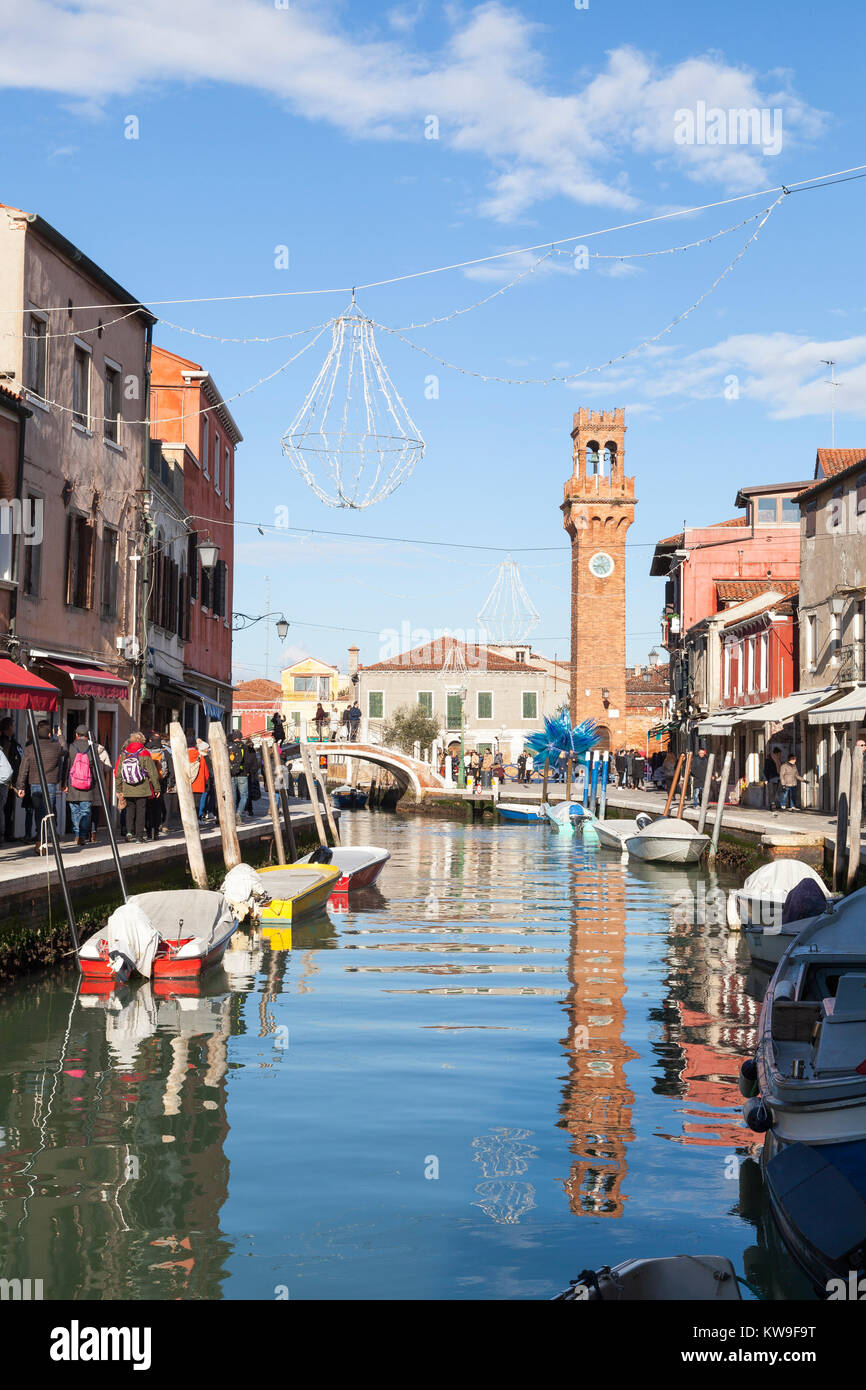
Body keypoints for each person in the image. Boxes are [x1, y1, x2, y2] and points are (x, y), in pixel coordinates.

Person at [13, 720, 67, 854]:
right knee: (47, 812)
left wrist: (20, 786)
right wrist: (60, 736)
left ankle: (40, 841)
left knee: (39, 813)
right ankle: (42, 841)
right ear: (50, 733)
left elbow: (23, 769)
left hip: (35, 784)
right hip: (50, 784)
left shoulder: (30, 748)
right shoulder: (55, 747)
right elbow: (65, 750)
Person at [115, 732, 160, 842]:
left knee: (130, 810)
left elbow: (119, 773)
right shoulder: (145, 753)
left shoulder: (124, 754)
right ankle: (139, 837)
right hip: (142, 788)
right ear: (142, 741)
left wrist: (119, 789)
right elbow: (153, 772)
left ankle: (129, 832)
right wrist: (157, 788)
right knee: (141, 812)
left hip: (128, 787)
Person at [66, 724, 97, 847]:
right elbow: (95, 769)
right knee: (86, 811)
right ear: (87, 735)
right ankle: (83, 835)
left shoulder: (71, 747)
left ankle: (78, 834)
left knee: (75, 811)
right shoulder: (92, 748)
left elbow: (67, 767)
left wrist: (64, 784)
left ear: (76, 735)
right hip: (87, 786)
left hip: (73, 785)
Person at [0, 717, 22, 842]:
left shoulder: (12, 742)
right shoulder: (5, 743)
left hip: (9, 781)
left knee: (8, 809)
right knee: (5, 809)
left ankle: (7, 833)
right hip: (6, 782)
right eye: (12, 726)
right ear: (8, 728)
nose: (14, 728)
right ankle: (5, 834)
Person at [228, 731, 248, 813]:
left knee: (233, 796)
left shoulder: (228, 746)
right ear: (241, 737)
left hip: (231, 773)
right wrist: (247, 771)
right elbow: (247, 761)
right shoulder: (244, 746)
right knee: (244, 795)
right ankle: (239, 813)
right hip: (242, 773)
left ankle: (232, 814)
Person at [763, 746, 782, 811]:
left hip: (777, 778)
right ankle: (772, 805)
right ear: (776, 753)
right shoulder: (768, 760)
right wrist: (765, 779)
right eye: (779, 754)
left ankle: (773, 804)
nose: (780, 755)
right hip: (771, 778)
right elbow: (765, 770)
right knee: (771, 792)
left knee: (775, 792)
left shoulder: (779, 760)